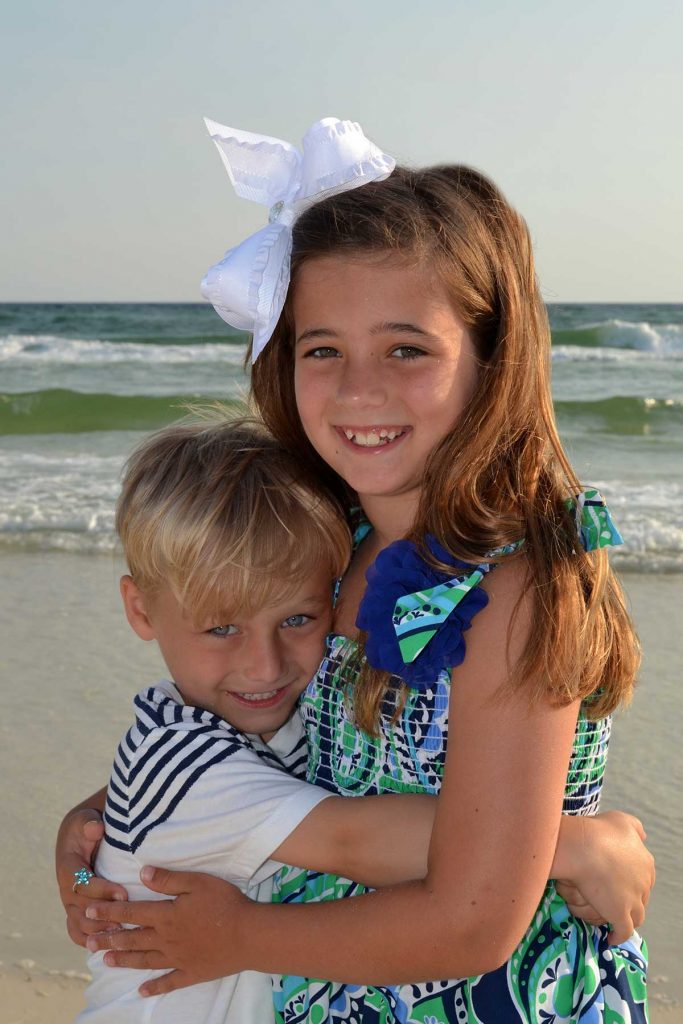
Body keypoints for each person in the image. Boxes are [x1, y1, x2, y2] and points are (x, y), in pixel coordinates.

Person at [58, 120, 653, 1023]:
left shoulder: (513, 586)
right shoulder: (323, 540)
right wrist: (110, 816)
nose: (358, 388)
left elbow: (474, 920)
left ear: (492, 361)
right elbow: (260, 739)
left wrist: (243, 935)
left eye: (407, 348)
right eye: (321, 348)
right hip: (333, 988)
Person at [75, 415, 450, 1023]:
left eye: (297, 619)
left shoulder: (267, 721)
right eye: (223, 629)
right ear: (141, 611)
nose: (264, 665)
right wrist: (570, 845)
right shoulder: (179, 762)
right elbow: (354, 840)